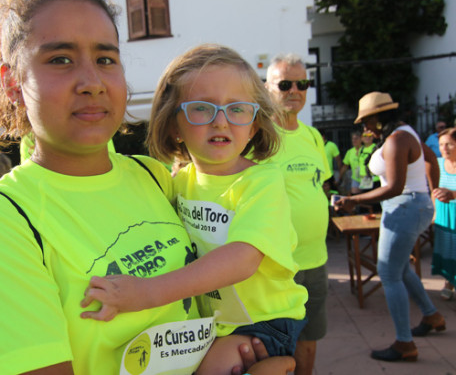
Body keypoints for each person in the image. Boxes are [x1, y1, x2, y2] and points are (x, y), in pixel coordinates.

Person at [0, 0, 274, 374]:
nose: (92, 82)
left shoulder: (153, 177)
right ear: (13, 83)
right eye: (61, 59)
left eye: (105, 58)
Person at [82, 44, 307, 375]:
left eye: (238, 109)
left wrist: (146, 293)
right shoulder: (178, 180)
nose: (221, 122)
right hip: (212, 323)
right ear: (174, 125)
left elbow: (242, 259)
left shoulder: (262, 182)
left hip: (265, 322)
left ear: (255, 125)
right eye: (202, 109)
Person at [335, 91, 444, 362]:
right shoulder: (407, 134)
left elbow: (394, 187)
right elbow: (430, 159)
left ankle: (404, 344)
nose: (364, 127)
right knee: (401, 268)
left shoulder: (398, 139)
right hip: (409, 206)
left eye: (367, 121)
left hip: (403, 207)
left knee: (389, 273)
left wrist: (352, 200)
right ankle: (432, 315)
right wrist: (429, 193)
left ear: (380, 117)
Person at [264, 53, 330, 375]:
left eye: (302, 83)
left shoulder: (313, 136)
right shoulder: (258, 141)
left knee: (310, 336)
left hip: (316, 260)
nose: (295, 90)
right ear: (267, 88)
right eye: (285, 83)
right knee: (276, 343)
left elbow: (320, 186)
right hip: (279, 265)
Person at [431, 127, 456, 300]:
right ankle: (449, 282)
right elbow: (433, 190)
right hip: (444, 215)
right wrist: (434, 213)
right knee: (448, 250)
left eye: (450, 144)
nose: (444, 148)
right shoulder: (438, 164)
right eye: (441, 144)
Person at [337, 130, 362, 195]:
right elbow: (345, 166)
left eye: (356, 138)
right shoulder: (350, 152)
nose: (354, 140)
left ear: (361, 139)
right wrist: (339, 178)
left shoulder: (365, 149)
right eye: (352, 139)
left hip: (366, 178)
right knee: (354, 195)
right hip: (355, 178)